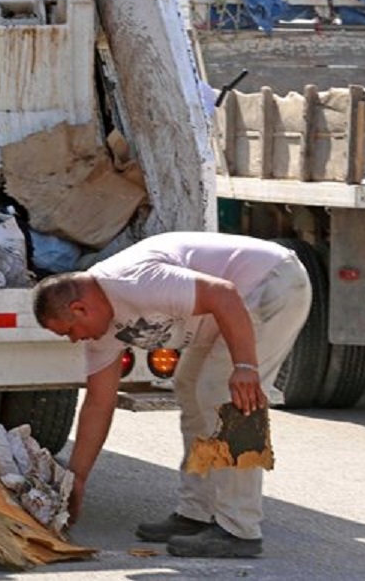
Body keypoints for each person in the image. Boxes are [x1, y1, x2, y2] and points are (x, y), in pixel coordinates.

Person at [31, 231, 310, 559]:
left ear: (79, 309)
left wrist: (245, 366)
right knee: (190, 387)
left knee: (224, 398)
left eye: (69, 332)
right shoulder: (100, 328)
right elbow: (98, 404)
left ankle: (239, 529)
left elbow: (223, 294)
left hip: (271, 283)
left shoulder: (133, 280)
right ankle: (196, 513)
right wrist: (75, 481)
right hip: (231, 307)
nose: (74, 341)